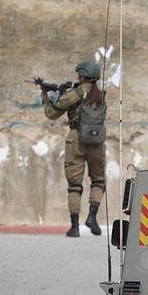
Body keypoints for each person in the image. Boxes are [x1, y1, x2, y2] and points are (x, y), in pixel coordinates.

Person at [41, 60, 107, 237]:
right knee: (99, 181)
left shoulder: (75, 93)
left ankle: (75, 227)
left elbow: (52, 113)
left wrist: (45, 97)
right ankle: (92, 217)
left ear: (82, 75)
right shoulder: (101, 95)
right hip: (97, 140)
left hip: (76, 140)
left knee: (75, 186)